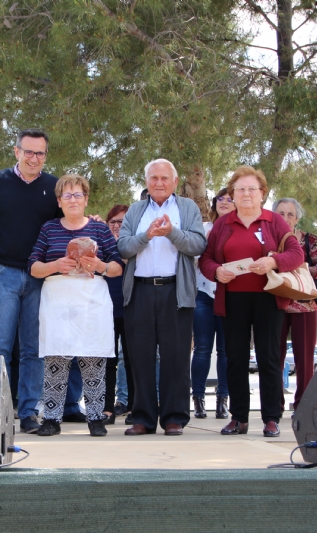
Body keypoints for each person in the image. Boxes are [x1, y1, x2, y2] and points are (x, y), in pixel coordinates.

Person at [0, 129, 63, 434]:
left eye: (40, 153)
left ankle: (28, 412)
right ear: (16, 152)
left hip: (40, 277)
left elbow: (67, 222)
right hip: (2, 274)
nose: (34, 159)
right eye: (28, 152)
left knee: (33, 349)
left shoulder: (53, 186)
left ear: (45, 155)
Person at [199, 166, 303, 438]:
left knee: (269, 357)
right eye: (240, 189)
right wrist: (216, 271)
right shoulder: (223, 224)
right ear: (232, 194)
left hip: (268, 298)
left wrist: (273, 261)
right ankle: (239, 418)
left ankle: (271, 418)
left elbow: (296, 254)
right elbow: (206, 259)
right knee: (235, 358)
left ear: (262, 194)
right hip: (232, 298)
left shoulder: (274, 222)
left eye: (251, 189)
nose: (246, 194)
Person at [28, 174, 123, 437]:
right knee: (56, 359)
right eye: (67, 195)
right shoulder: (49, 229)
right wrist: (55, 265)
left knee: (93, 358)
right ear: (59, 201)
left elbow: (117, 267)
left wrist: (100, 266)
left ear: (86, 198)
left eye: (78, 194)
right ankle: (51, 419)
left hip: (91, 299)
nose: (73, 200)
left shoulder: (100, 230)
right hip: (58, 300)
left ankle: (95, 417)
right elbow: (33, 266)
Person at [118, 158, 207, 437]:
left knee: (177, 357)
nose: (159, 183)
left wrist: (172, 233)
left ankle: (174, 417)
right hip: (140, 290)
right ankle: (142, 417)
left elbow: (198, 244)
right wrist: (146, 235)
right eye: (153, 178)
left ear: (175, 182)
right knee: (140, 356)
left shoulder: (187, 208)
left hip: (176, 292)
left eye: (164, 178)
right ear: (146, 181)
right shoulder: (135, 211)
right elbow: (122, 247)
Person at [273, 197, 317, 412]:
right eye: (281, 214)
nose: (285, 218)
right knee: (272, 357)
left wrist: (291, 266)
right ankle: (274, 404)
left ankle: (304, 405)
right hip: (275, 304)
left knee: (304, 358)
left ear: (297, 218)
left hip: (305, 305)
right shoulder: (266, 238)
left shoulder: (310, 240)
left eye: (290, 214)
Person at [191, 189, 235, 419]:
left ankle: (223, 399)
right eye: (221, 199)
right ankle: (198, 398)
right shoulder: (205, 228)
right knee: (202, 349)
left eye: (230, 199)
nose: (225, 203)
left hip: (230, 295)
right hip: (204, 294)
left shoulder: (239, 229)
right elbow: (196, 259)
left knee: (226, 352)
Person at [103, 204, 133, 423]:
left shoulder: (135, 244)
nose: (116, 226)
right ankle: (106, 409)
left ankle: (134, 407)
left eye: (121, 222)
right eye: (112, 222)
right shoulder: (101, 245)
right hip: (105, 309)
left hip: (132, 307)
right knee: (107, 360)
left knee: (133, 360)